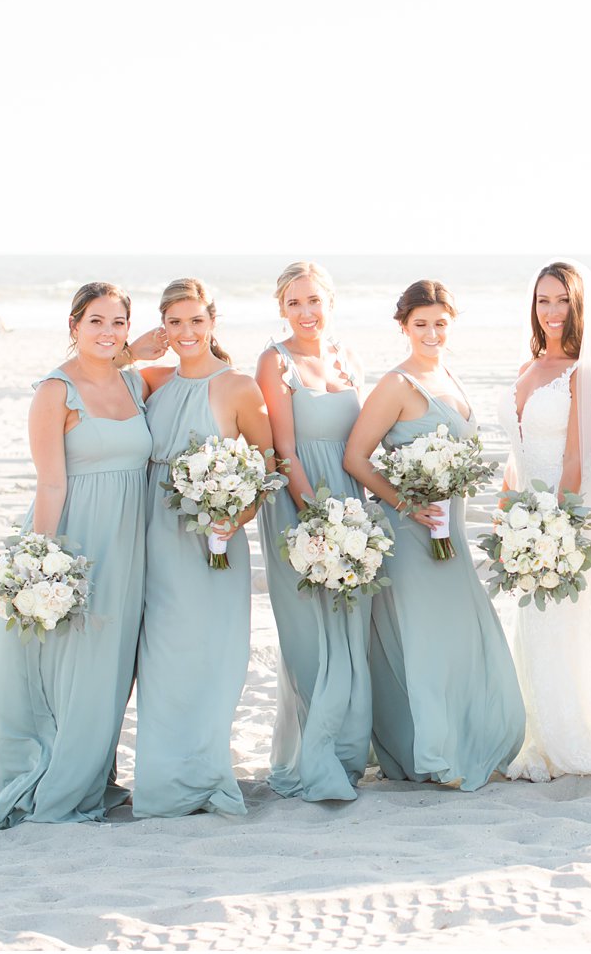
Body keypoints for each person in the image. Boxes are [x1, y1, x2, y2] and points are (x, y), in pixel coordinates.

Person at [343, 280, 525, 790]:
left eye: (440, 323)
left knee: (461, 638)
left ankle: (469, 738)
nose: (431, 332)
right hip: (411, 536)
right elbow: (355, 458)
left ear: (452, 323)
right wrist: (406, 503)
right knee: (425, 644)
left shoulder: (450, 376)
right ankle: (436, 754)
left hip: (453, 532)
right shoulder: (397, 385)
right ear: (403, 327)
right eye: (420, 324)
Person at [0, 283, 150, 827]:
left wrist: (138, 352)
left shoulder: (134, 382)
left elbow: (208, 366)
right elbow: (50, 486)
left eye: (118, 323)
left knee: (112, 663)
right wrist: (43, 563)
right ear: (73, 325)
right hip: (76, 538)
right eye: (96, 322)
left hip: (129, 541)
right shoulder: (55, 390)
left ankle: (96, 774)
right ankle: (60, 774)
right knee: (70, 659)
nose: (107, 332)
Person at [133, 278, 274, 816]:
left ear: (212, 323)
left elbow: (267, 466)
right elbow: (87, 374)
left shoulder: (237, 387)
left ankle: (204, 770)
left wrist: (234, 518)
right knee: (164, 658)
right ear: (162, 328)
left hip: (213, 542)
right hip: (154, 536)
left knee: (212, 656)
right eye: (175, 322)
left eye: (196, 320)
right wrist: (132, 349)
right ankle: (166, 781)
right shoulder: (150, 380)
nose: (186, 331)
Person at [496, 260, 591, 781]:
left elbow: (577, 460)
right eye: (542, 301)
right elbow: (519, 452)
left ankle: (568, 739)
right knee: (532, 625)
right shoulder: (527, 369)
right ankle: (535, 733)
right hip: (527, 515)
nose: (551, 311)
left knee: (562, 625)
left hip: (564, 518)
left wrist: (557, 526)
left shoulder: (585, 373)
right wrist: (508, 513)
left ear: (577, 307)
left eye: (561, 301)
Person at [254, 261, 372, 802]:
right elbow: (283, 451)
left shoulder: (347, 357)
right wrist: (318, 519)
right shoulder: (273, 362)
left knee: (350, 628)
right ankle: (311, 756)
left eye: (314, 301)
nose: (306, 313)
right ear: (282, 308)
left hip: (351, 507)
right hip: (300, 510)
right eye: (295, 303)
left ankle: (347, 752)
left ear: (331, 302)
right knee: (309, 633)